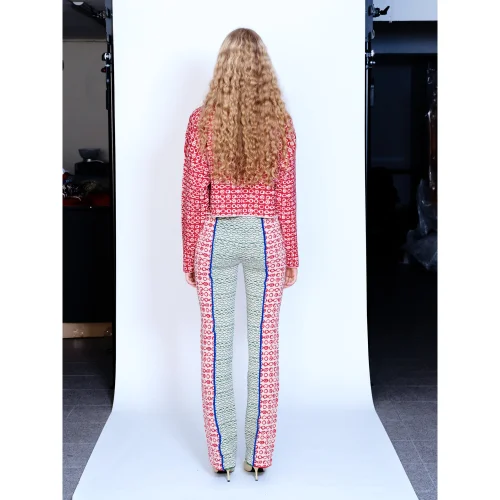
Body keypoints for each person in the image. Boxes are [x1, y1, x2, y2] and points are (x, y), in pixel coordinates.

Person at [181, 28, 299, 482]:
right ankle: (260, 455)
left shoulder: (201, 122)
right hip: (266, 235)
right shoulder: (280, 124)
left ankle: (222, 457)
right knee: (264, 348)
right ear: (263, 69)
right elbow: (286, 196)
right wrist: (292, 254)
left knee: (216, 347)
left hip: (215, 236)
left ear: (222, 68)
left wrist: (189, 254)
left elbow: (194, 195)